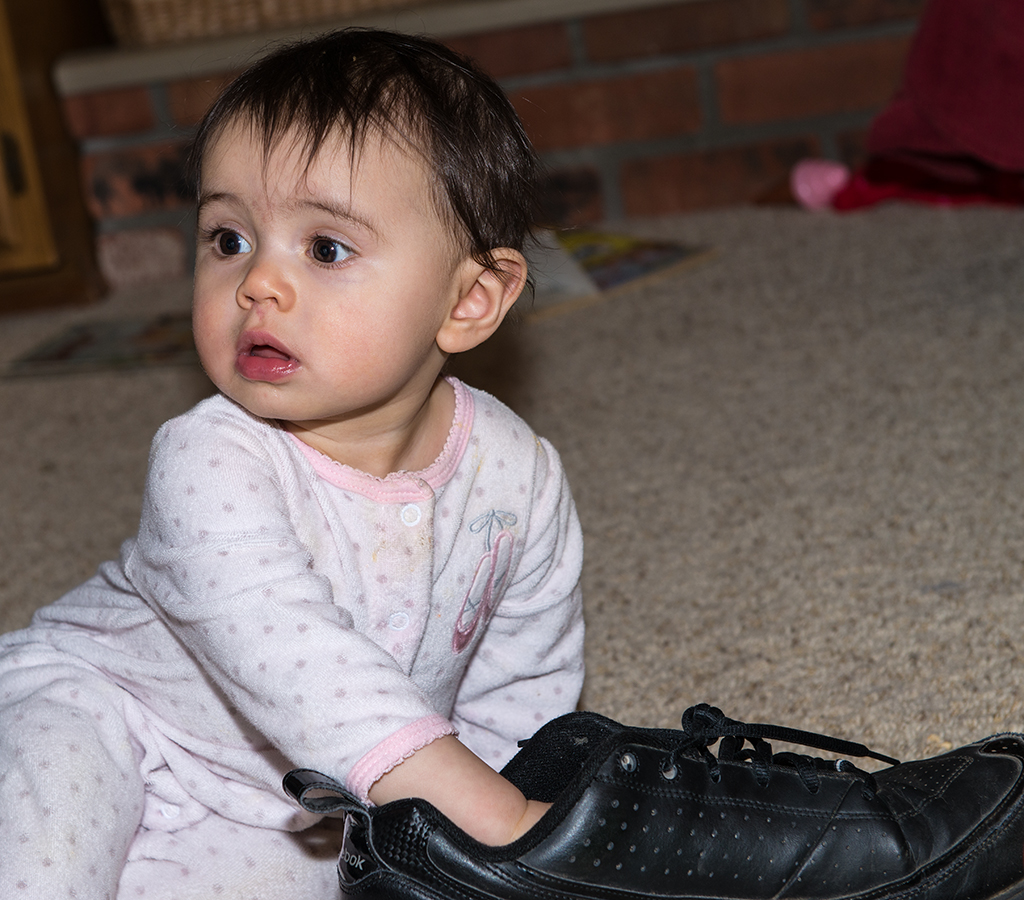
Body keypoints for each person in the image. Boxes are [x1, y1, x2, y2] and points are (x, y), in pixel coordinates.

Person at [0, 29, 584, 899]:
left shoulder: (518, 479)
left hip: (293, 800)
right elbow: (309, 674)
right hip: (104, 711)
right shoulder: (206, 461)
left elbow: (519, 688)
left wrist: (498, 850)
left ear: (467, 301)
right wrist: (503, 825)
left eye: (324, 249)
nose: (256, 285)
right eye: (228, 238)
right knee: (49, 845)